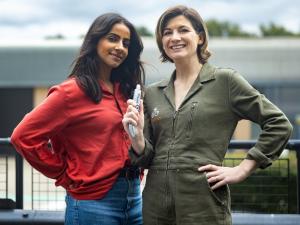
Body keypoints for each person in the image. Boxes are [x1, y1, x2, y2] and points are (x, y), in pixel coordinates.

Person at [122, 5, 293, 225]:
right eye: (167, 32)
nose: (175, 37)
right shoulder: (153, 93)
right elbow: (146, 159)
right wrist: (136, 139)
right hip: (155, 208)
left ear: (200, 37)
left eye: (183, 30)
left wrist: (244, 168)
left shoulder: (225, 81)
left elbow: (279, 124)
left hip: (204, 206)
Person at [11, 13, 144, 225]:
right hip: (93, 203)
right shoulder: (70, 92)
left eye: (126, 43)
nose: (120, 47)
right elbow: (23, 137)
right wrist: (65, 174)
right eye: (112, 38)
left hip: (135, 199)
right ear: (95, 41)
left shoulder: (125, 90)